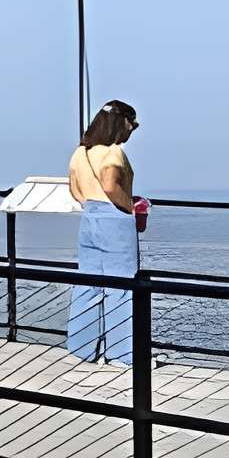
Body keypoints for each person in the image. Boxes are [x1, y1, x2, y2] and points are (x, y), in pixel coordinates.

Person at [65, 99, 146, 364]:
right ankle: (123, 356)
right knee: (122, 288)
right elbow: (111, 184)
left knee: (88, 285)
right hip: (114, 221)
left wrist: (93, 203)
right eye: (131, 123)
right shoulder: (114, 152)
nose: (132, 129)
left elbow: (74, 190)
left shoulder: (81, 153)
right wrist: (129, 208)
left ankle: (82, 350)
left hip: (89, 217)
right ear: (121, 122)